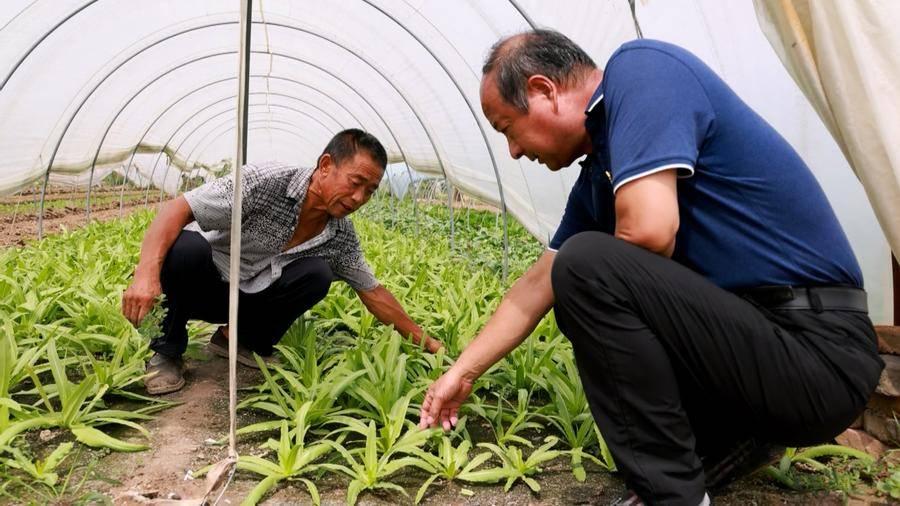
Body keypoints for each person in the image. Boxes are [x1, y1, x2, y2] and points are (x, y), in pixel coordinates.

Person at [419, 30, 883, 505]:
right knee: (578, 267)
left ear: (543, 91)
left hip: (817, 354)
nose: (514, 151)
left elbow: (649, 231)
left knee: (586, 266)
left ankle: (675, 498)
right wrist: (463, 371)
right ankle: (719, 452)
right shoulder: (600, 173)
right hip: (761, 356)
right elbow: (537, 283)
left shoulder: (641, 71)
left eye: (507, 128)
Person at [123, 128, 442, 395]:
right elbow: (176, 209)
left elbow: (373, 292)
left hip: (247, 297)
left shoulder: (340, 234)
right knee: (185, 249)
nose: (359, 198)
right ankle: (164, 351)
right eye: (355, 182)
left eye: (370, 191)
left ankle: (238, 340)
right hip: (202, 283)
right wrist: (144, 275)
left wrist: (430, 346)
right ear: (326, 165)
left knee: (317, 274)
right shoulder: (266, 182)